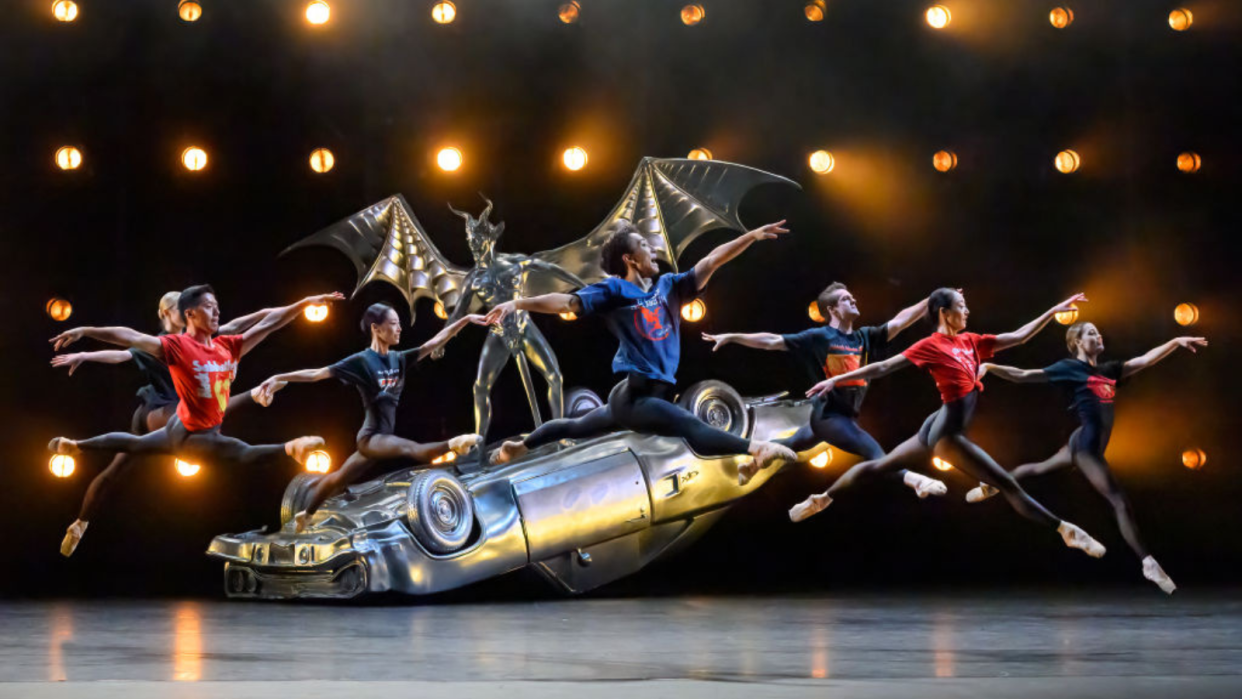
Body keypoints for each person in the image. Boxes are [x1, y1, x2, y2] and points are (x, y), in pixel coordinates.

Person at [789, 288, 1108, 561]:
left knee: (880, 465)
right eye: (961, 306)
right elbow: (884, 366)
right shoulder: (930, 345)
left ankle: (822, 498)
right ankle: (1065, 530)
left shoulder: (972, 341)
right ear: (944, 312)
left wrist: (1053, 311)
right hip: (947, 436)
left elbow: (1019, 337)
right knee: (1008, 485)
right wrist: (837, 381)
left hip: (935, 422)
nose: (967, 310)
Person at [485, 219, 798, 478]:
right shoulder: (614, 290)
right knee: (689, 424)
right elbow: (567, 302)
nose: (653, 250)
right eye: (645, 246)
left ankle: (518, 447)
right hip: (637, 396)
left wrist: (751, 237)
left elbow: (713, 259)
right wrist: (517, 302)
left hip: (644, 393)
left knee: (577, 426)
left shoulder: (671, 286)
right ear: (629, 259)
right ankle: (755, 449)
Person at [47, 285, 340, 544]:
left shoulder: (227, 344)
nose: (217, 313)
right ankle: (292, 447)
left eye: (217, 307)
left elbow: (268, 321)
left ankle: (76, 445)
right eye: (209, 308)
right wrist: (85, 334)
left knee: (136, 445)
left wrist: (304, 303)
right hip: (177, 423)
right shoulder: (173, 345)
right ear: (187, 314)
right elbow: (129, 339)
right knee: (242, 453)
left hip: (179, 422)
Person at [968, 323, 1207, 593]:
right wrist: (990, 368)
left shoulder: (1108, 371)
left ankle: (991, 485)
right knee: (1118, 501)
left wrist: (1175, 341)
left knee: (1039, 468)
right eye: (1091, 333)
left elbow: (1144, 360)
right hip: (1085, 447)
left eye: (1098, 332)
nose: (1098, 335)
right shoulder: (1069, 368)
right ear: (1078, 343)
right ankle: (1147, 562)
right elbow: (1023, 375)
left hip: (1082, 439)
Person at [256, 302, 491, 531]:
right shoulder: (361, 361)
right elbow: (317, 374)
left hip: (381, 438)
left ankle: (305, 515)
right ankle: (454, 443)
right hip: (371, 437)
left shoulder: (399, 359)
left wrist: (466, 319)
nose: (399, 329)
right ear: (376, 329)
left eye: (399, 324)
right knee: (413, 449)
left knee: (337, 479)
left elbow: (436, 341)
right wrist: (279, 376)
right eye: (393, 323)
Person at [702, 282, 946, 497]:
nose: (853, 299)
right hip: (829, 416)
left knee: (796, 442)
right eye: (845, 299)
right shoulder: (819, 336)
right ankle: (915, 481)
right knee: (871, 449)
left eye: (852, 297)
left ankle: (752, 464)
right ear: (832, 310)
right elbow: (772, 341)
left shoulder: (866, 337)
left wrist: (931, 301)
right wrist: (732, 336)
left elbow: (901, 320)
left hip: (841, 415)